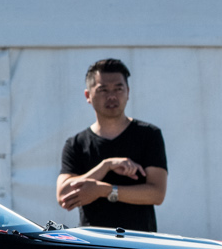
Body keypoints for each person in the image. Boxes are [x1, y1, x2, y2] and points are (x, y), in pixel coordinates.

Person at [57, 58, 167, 230]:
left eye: (118, 88)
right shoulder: (76, 144)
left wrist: (104, 190)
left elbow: (157, 194)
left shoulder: (149, 135)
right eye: (103, 90)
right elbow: (64, 195)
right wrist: (105, 166)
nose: (112, 96)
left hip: (140, 243)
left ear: (128, 92)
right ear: (88, 95)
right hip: (94, 246)